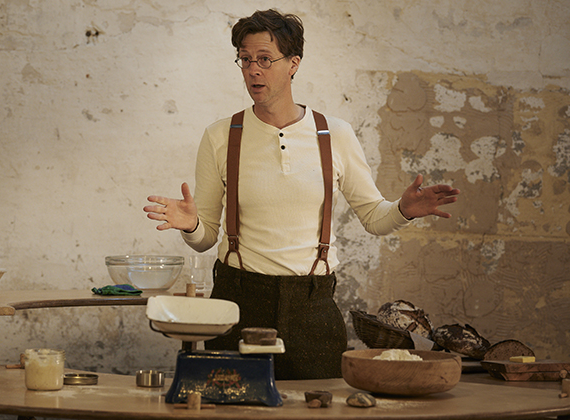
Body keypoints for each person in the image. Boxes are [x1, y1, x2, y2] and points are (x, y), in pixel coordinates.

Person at [143, 9, 460, 380]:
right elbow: (206, 238)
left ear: (294, 64)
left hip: (313, 308)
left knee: (319, 409)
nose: (253, 70)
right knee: (230, 408)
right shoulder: (221, 136)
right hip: (238, 302)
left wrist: (403, 209)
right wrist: (193, 224)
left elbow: (374, 218)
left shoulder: (335, 135)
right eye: (245, 60)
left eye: (264, 59)